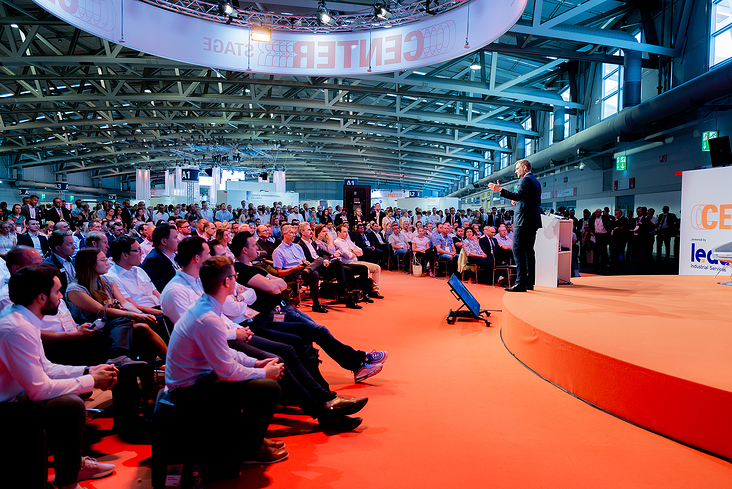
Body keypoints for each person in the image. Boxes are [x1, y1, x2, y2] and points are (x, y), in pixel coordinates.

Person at [0, 265, 118, 488]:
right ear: (42, 297)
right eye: (57, 292)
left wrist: (87, 371)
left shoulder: (23, 316)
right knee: (70, 405)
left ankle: (72, 467)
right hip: (5, 406)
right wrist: (93, 381)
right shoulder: (18, 328)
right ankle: (69, 480)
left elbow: (45, 367)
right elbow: (38, 390)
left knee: (70, 402)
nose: (61, 296)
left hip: (13, 397)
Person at [164, 255, 288, 465]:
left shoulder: (207, 306)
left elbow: (224, 353)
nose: (236, 280)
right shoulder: (207, 317)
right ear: (226, 282)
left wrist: (255, 364)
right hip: (187, 390)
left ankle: (251, 439)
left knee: (263, 375)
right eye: (234, 276)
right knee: (268, 388)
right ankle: (251, 447)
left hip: (197, 378)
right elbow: (227, 371)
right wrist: (263, 373)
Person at [232, 231, 386, 383]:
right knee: (318, 331)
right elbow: (274, 287)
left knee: (319, 330)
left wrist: (274, 283)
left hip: (285, 307)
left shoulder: (255, 268)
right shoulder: (241, 269)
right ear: (244, 250)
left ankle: (358, 361)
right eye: (253, 246)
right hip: (274, 313)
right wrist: (274, 283)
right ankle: (359, 361)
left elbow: (282, 284)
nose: (258, 250)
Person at [488, 159, 542, 292]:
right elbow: (527, 199)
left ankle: (520, 283)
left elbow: (518, 196)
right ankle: (529, 282)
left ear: (524, 168)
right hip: (532, 221)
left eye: (517, 168)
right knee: (529, 252)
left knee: (518, 251)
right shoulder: (536, 181)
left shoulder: (524, 180)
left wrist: (500, 190)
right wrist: (518, 202)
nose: (516, 171)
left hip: (523, 222)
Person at [273, 224, 327, 313]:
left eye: (294, 233)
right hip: (291, 272)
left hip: (302, 269)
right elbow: (280, 273)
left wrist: (306, 263)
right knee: (314, 273)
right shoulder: (278, 251)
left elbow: (303, 260)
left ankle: (306, 272)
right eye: (291, 233)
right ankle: (316, 304)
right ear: (284, 234)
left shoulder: (297, 247)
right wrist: (295, 268)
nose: (294, 235)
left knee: (320, 259)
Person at [141, 223, 180, 292]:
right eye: (175, 237)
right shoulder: (153, 261)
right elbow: (162, 289)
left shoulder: (174, 255)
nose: (178, 240)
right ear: (164, 241)